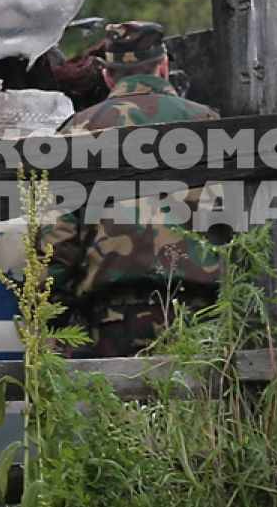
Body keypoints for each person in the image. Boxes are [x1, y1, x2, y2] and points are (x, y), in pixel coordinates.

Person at [37, 21, 223, 357]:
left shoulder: (78, 130)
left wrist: (55, 318)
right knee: (199, 408)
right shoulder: (208, 123)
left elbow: (57, 235)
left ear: (108, 75)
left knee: (118, 407)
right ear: (163, 66)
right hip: (197, 315)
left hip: (112, 318)